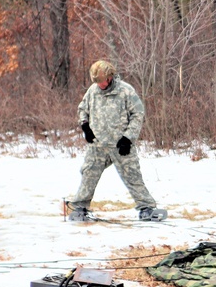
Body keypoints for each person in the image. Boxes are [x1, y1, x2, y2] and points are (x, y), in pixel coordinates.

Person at [67, 60, 164, 222]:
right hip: (98, 145)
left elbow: (138, 114)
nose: (99, 85)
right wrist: (85, 126)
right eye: (96, 82)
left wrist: (128, 137)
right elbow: (82, 109)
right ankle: (80, 208)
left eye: (101, 81)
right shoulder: (93, 91)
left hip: (121, 144)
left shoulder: (125, 91)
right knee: (89, 173)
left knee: (132, 176)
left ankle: (146, 208)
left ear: (110, 77)